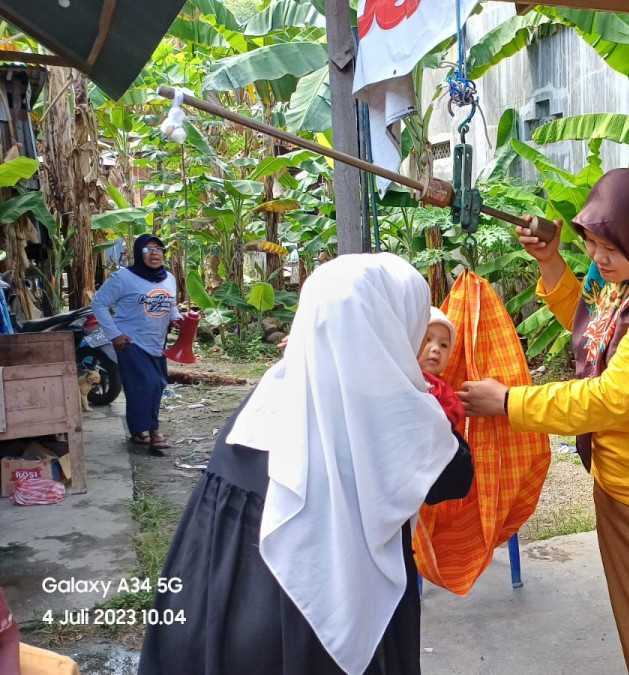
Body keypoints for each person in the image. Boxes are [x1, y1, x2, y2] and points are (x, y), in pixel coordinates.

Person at [138, 254, 474, 675]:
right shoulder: (400, 415)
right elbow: (458, 475)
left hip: (220, 621)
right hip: (322, 636)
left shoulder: (265, 401)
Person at [458, 168, 629, 674]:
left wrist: (510, 402)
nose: (599, 257)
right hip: (624, 484)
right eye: (592, 243)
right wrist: (550, 262)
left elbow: (610, 397)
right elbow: (592, 329)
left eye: (612, 245)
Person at [91, 234, 181, 453]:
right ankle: (155, 432)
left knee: (144, 386)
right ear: (138, 253)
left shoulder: (168, 277)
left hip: (156, 342)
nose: (154, 253)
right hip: (129, 341)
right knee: (151, 384)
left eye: (158, 248)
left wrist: (176, 318)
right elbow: (99, 304)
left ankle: (137, 429)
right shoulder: (123, 278)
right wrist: (114, 334)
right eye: (147, 249)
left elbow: (171, 304)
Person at [420, 307, 464, 427]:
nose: (436, 349)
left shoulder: (443, 387)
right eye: (428, 340)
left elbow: (453, 413)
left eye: (444, 345)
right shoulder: (401, 376)